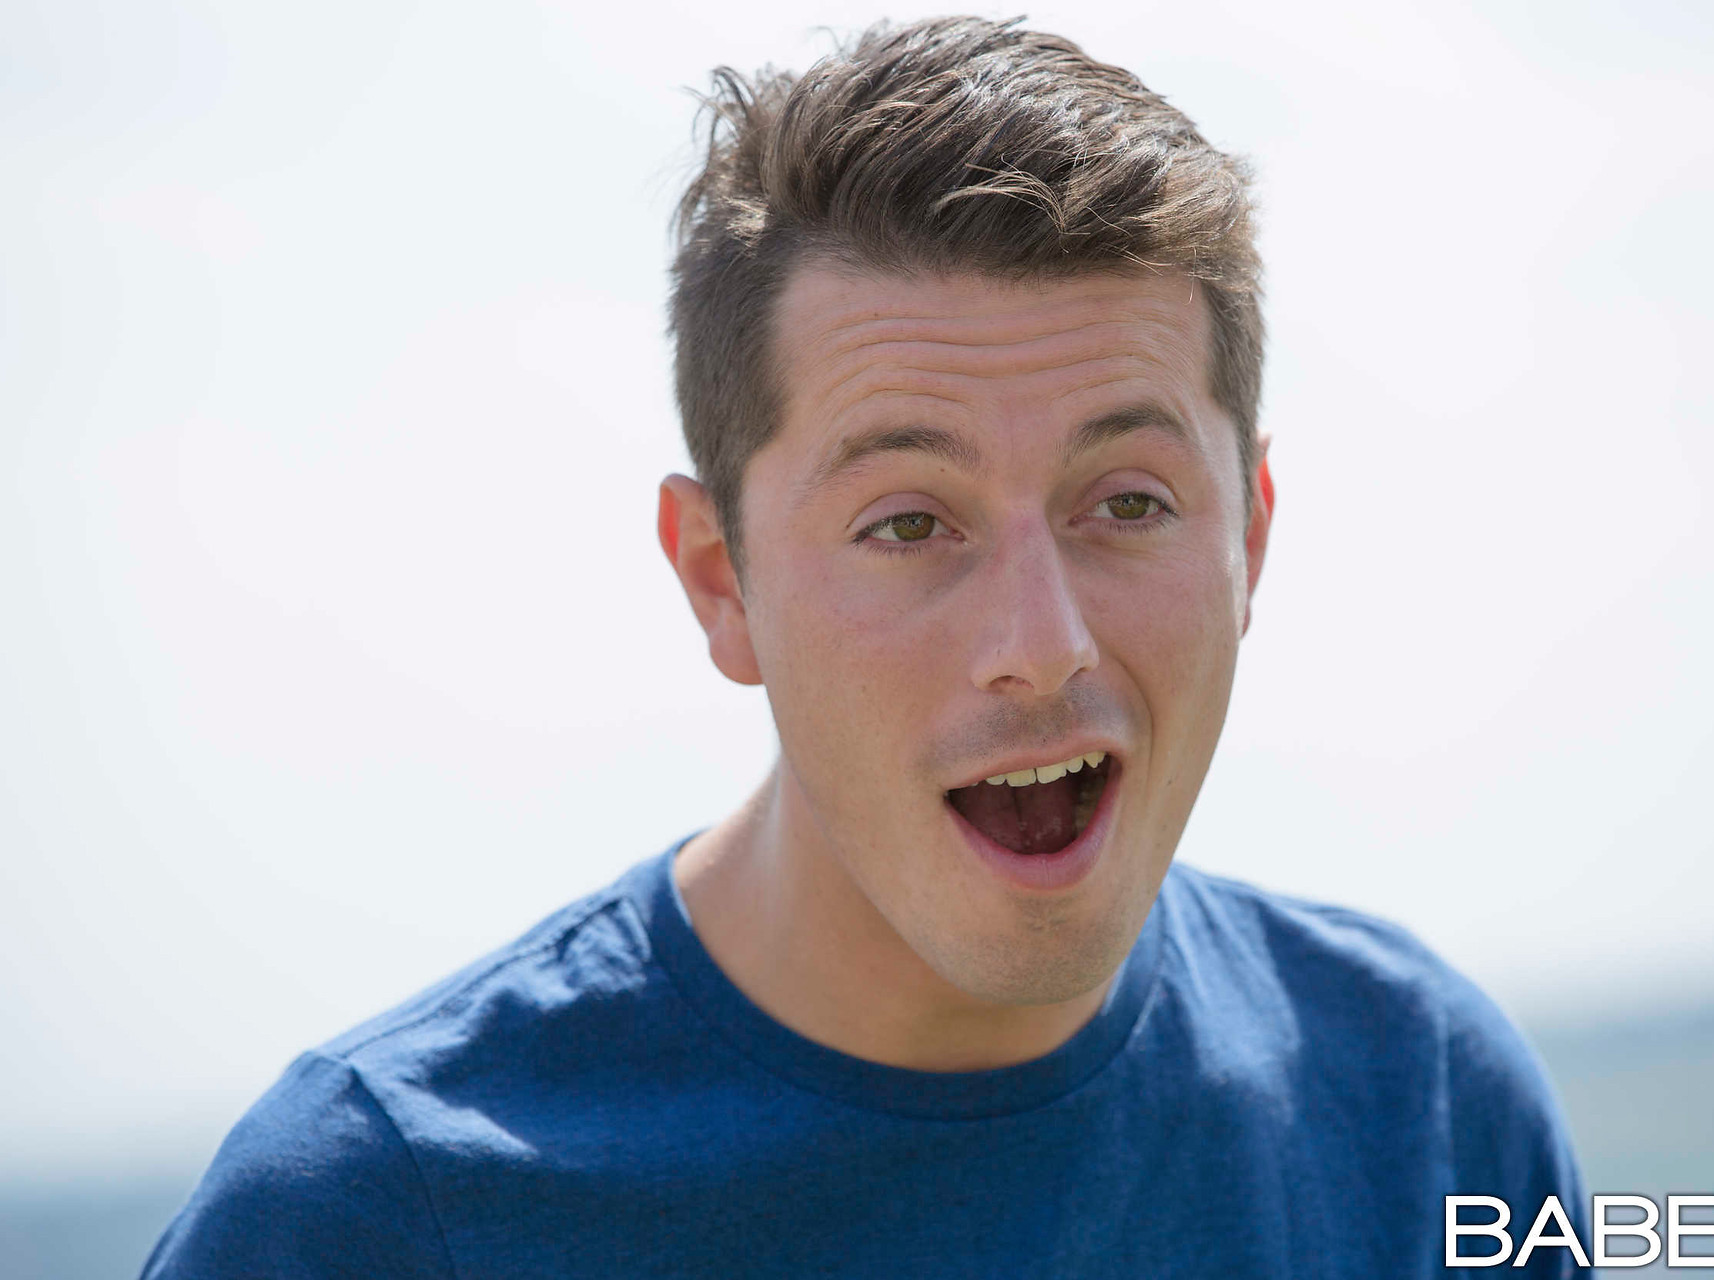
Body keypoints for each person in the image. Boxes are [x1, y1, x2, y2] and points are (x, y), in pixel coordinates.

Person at [143, 16, 1588, 1277]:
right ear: (721, 581)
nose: (1042, 646)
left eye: (1128, 503)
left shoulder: (1426, 1111)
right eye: (908, 523)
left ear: (1249, 540)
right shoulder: (375, 1217)